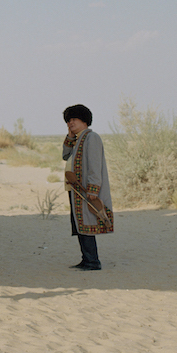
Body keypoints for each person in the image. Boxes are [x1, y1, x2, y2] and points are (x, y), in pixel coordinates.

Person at [62, 103, 113, 270]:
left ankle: (92, 261)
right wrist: (70, 137)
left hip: (87, 191)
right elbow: (65, 156)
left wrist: (93, 188)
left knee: (88, 223)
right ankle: (86, 259)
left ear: (84, 120)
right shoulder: (78, 140)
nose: (70, 123)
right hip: (77, 190)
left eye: (74, 119)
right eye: (68, 121)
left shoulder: (92, 138)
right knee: (80, 225)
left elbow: (94, 165)